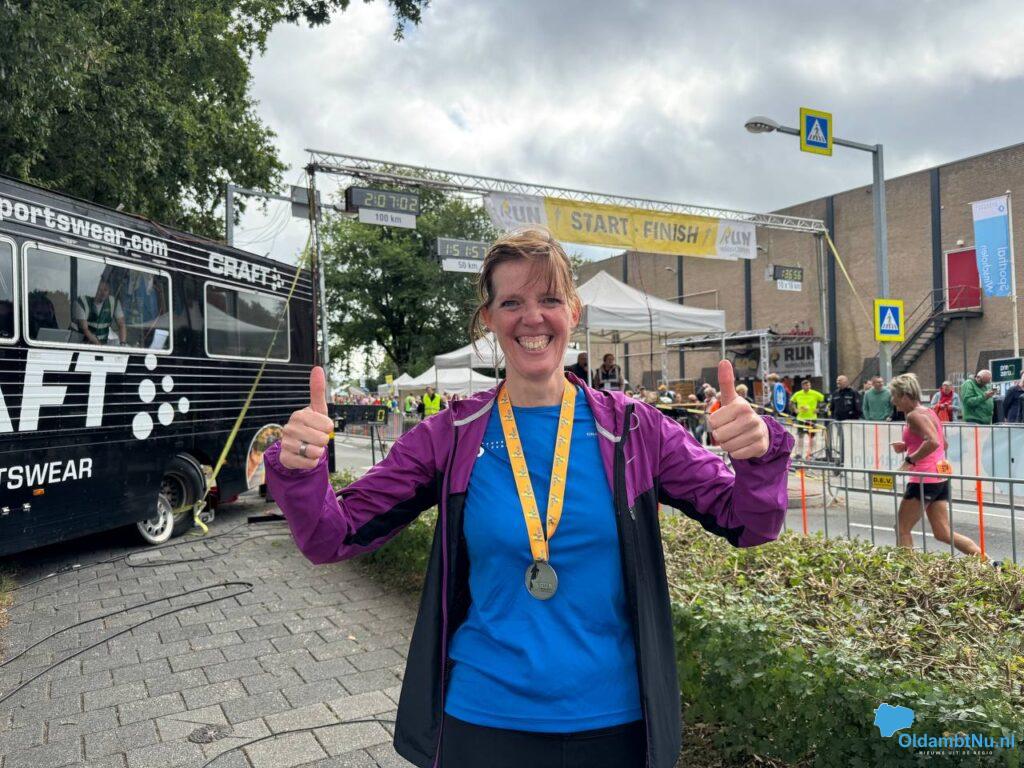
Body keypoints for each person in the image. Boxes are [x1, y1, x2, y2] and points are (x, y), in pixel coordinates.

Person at [263, 229, 794, 768]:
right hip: (483, 721)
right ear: (489, 319)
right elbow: (332, 535)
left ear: (574, 312)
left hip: (615, 725)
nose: (532, 318)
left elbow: (748, 522)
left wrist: (760, 453)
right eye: (512, 302)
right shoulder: (453, 434)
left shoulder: (634, 430)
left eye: (550, 299)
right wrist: (299, 471)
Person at [890, 373, 981, 556]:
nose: (893, 401)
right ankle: (989, 562)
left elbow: (933, 442)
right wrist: (908, 445)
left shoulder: (913, 416)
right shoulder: (929, 411)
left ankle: (907, 570)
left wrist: (910, 460)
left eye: (894, 396)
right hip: (939, 477)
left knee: (902, 528)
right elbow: (943, 443)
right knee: (943, 533)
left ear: (905, 396)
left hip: (923, 479)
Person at [73, 279, 127, 345]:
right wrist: (99, 346)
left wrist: (122, 344)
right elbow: (85, 329)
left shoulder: (114, 303)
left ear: (109, 291)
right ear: (94, 289)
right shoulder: (82, 302)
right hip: (80, 345)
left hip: (102, 345)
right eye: (100, 289)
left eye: (105, 290)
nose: (103, 293)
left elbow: (121, 324)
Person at [789, 379, 824, 459]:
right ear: (802, 386)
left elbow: (824, 401)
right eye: (805, 385)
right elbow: (791, 402)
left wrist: (819, 409)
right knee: (800, 436)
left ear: (810, 385)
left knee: (812, 437)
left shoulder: (815, 393)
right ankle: (799, 454)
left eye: (808, 385)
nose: (807, 386)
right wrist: (794, 409)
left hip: (811, 418)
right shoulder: (798, 394)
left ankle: (811, 453)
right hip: (801, 419)